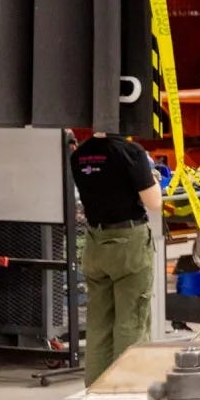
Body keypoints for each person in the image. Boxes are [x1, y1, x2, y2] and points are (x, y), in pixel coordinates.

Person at [68, 131, 163, 385]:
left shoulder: (80, 154)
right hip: (128, 244)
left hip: (95, 243)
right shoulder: (131, 152)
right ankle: (127, 389)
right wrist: (152, 177)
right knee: (130, 319)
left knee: (99, 322)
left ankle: (96, 388)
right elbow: (154, 202)